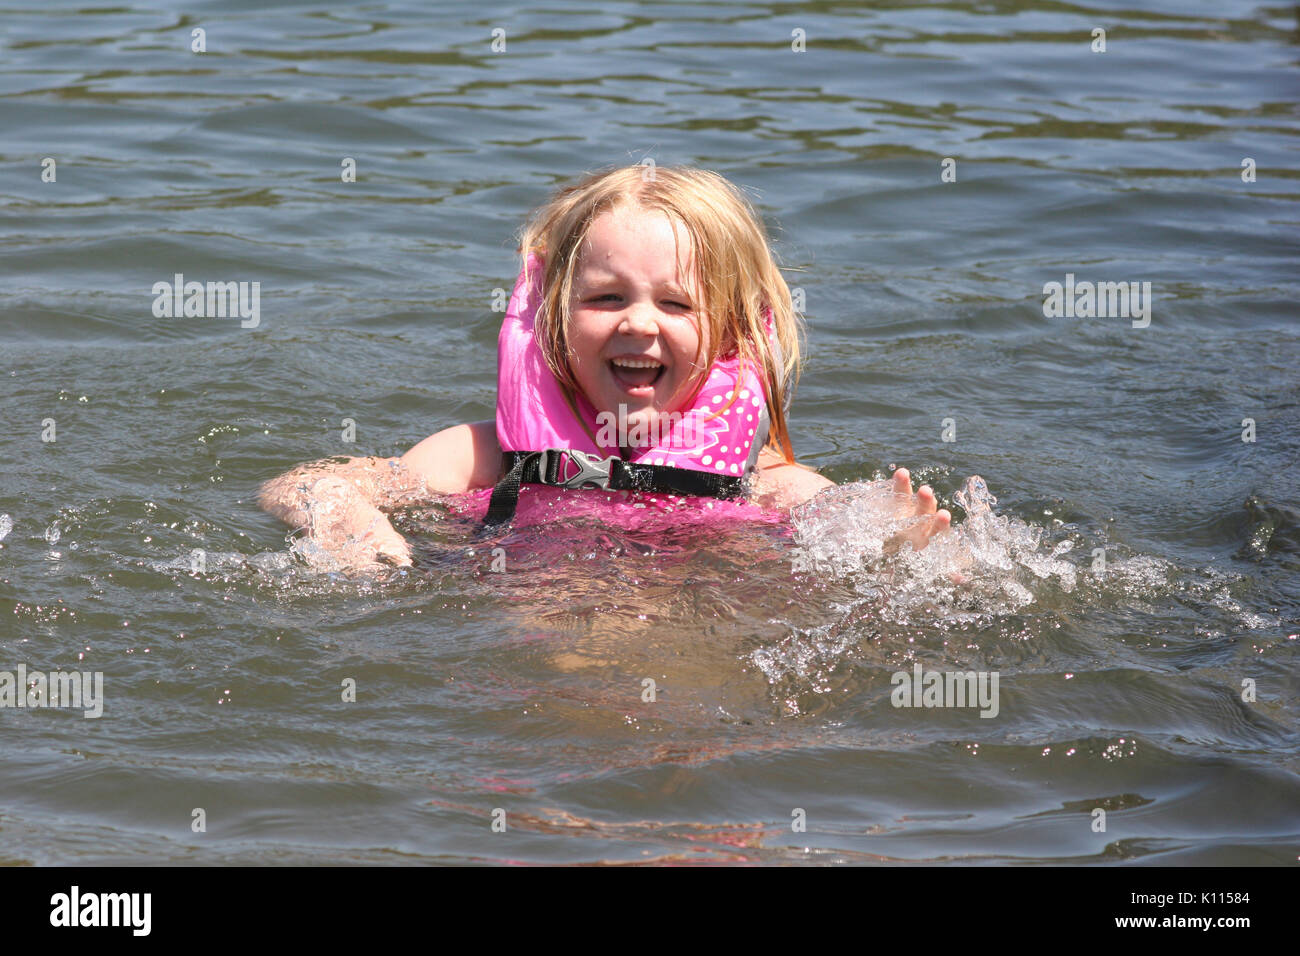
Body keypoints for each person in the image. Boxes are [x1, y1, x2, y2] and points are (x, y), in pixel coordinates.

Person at [259, 165, 951, 571]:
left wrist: (906, 554)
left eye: (677, 303)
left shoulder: (763, 486)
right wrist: (341, 511)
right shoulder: (486, 458)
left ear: (736, 332)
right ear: (553, 316)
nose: (638, 323)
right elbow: (298, 484)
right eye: (605, 298)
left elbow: (846, 526)